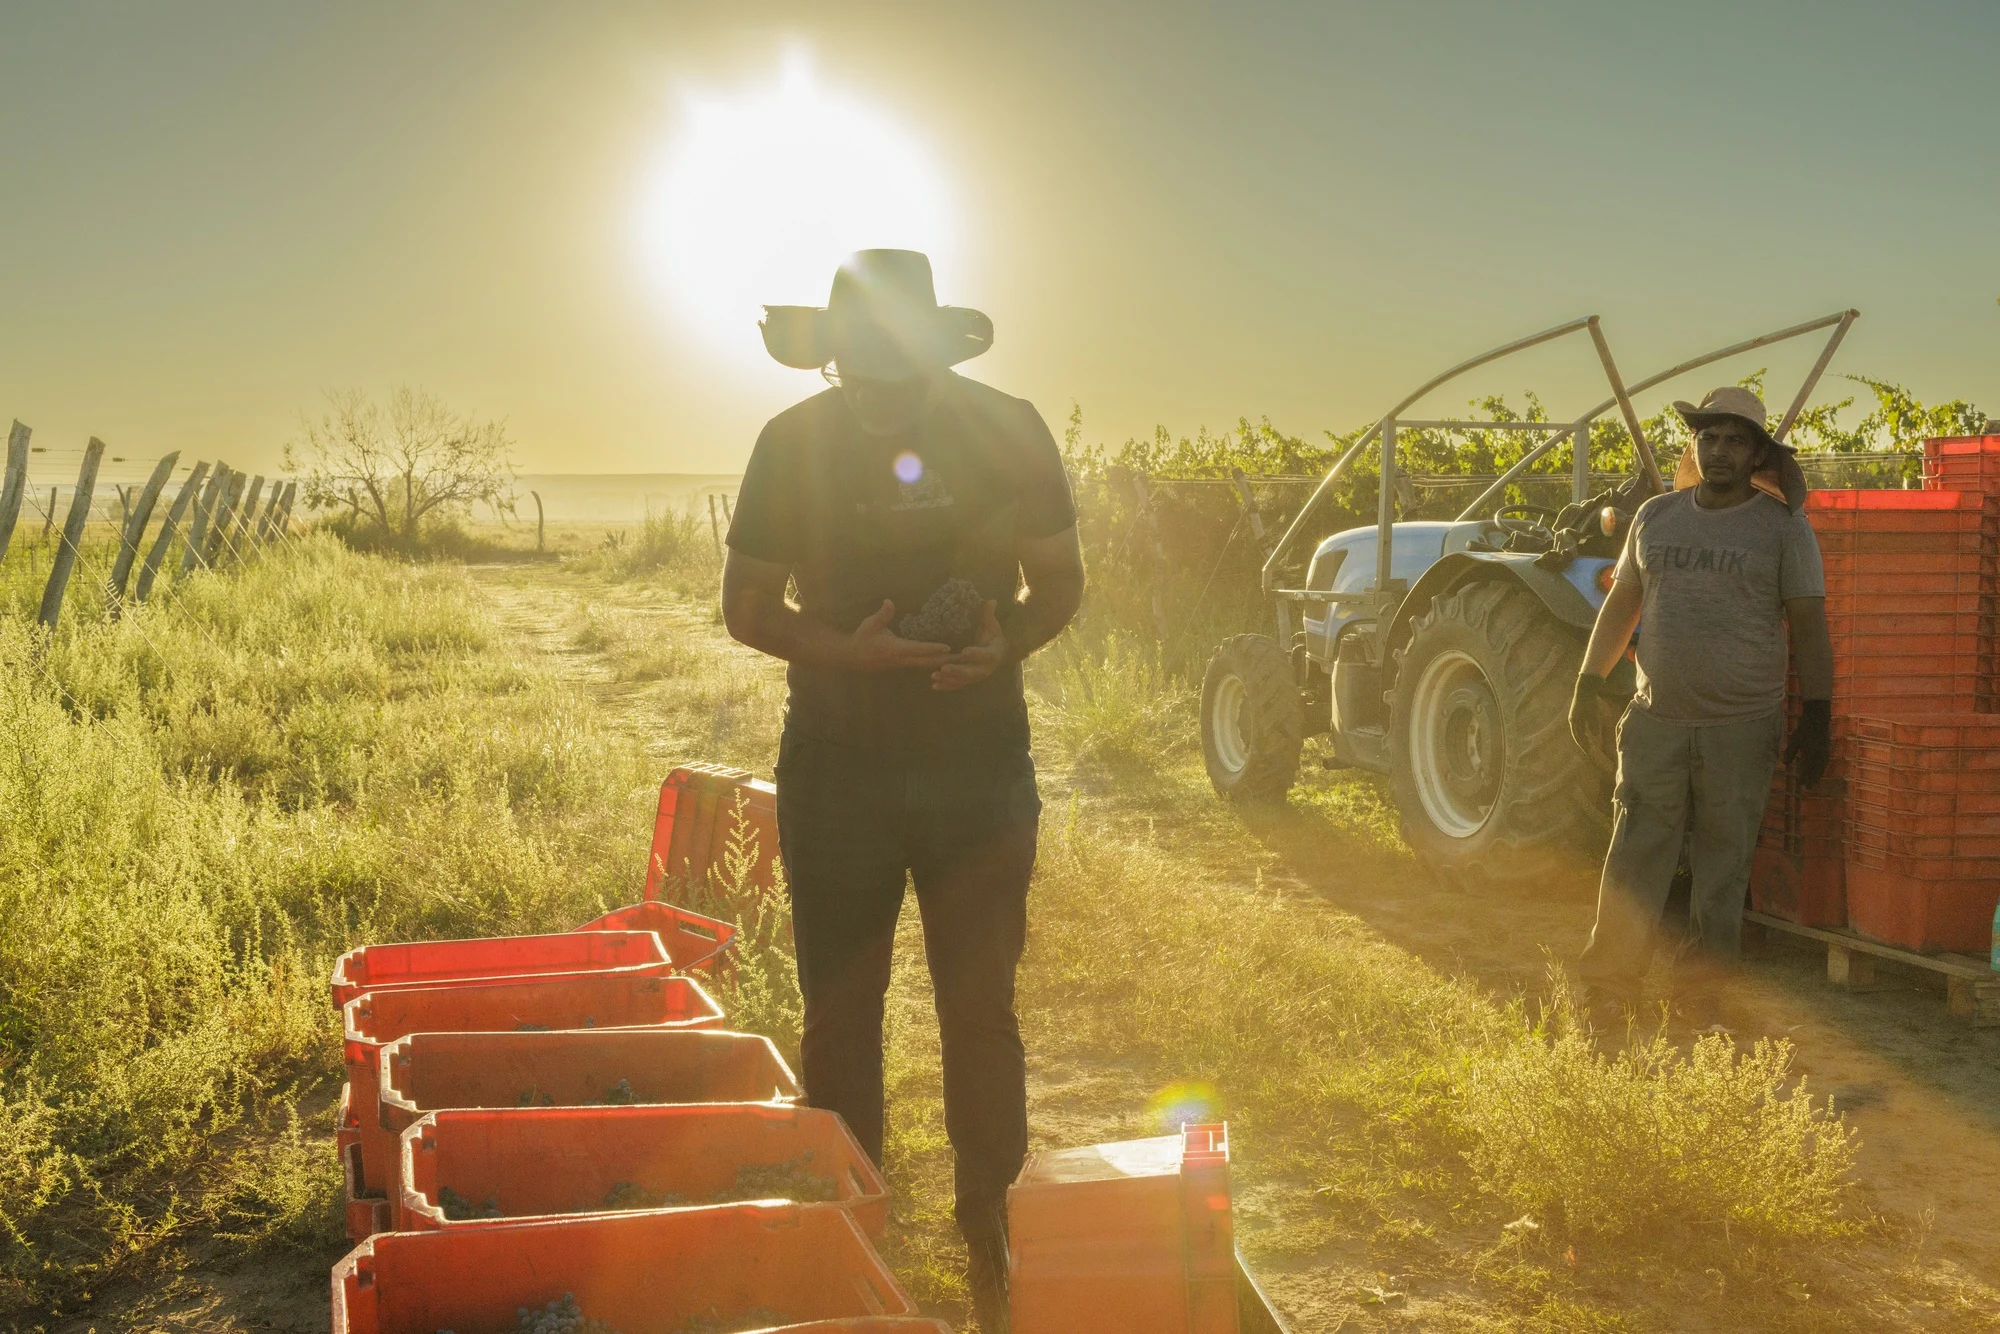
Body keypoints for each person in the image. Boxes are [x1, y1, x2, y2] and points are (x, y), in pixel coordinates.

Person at [721, 249, 1084, 1330]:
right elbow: (746, 605)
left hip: (979, 768)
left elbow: (1060, 580)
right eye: (859, 375)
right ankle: (846, 1239)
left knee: (981, 1010)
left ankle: (993, 1239)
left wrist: (1007, 642)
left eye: (899, 378)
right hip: (838, 767)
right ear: (831, 361)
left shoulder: (1009, 429)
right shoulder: (789, 443)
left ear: (934, 357)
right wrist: (848, 650)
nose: (879, 399)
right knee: (840, 1014)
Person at [1569, 385, 1833, 1021]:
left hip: (1741, 727)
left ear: (1757, 455)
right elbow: (1623, 602)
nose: (1719, 451)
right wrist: (1588, 679)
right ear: (1694, 445)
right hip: (1656, 720)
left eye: (1735, 440)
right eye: (1708, 437)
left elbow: (1808, 624)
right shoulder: (1655, 517)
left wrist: (1819, 713)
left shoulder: (1783, 529)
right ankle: (1608, 988)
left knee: (1722, 869)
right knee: (1634, 857)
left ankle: (1702, 1000)